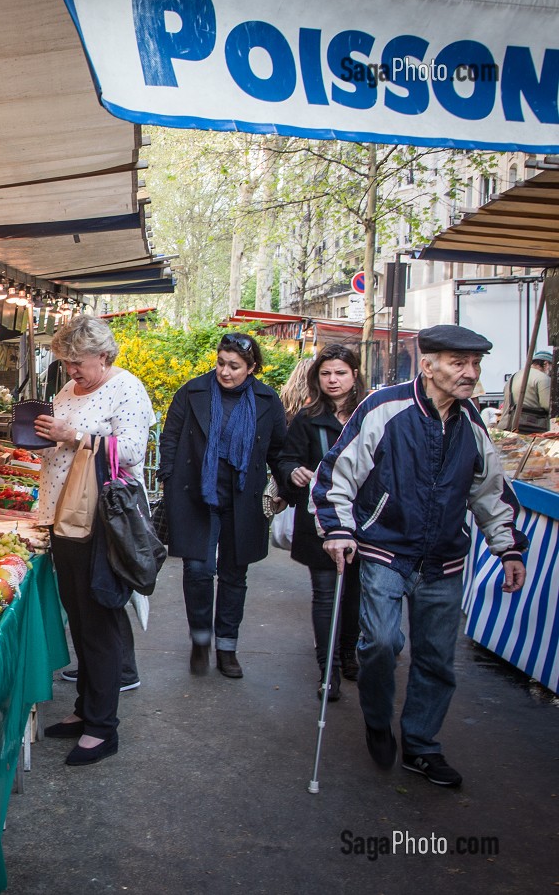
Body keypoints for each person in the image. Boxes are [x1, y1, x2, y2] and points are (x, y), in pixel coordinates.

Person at [313, 324, 527, 789]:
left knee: (435, 660)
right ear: (428, 366)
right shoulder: (384, 408)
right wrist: (338, 529)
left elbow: (490, 491)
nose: (470, 373)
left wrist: (508, 546)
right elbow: (336, 474)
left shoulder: (472, 422)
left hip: (444, 561)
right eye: (459, 363)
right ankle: (376, 718)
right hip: (386, 551)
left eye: (474, 365)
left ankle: (422, 745)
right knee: (382, 645)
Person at [33, 315, 154, 766]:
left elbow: (133, 451)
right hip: (63, 519)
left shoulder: (126, 388)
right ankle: (86, 710)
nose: (70, 372)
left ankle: (104, 728)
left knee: (100, 621)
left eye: (77, 363)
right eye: (65, 364)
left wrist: (74, 435)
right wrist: (42, 436)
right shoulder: (68, 391)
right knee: (79, 621)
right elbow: (62, 444)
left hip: (101, 521)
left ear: (103, 356)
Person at [159, 333, 287, 678]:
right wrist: (169, 479)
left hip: (244, 497)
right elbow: (169, 436)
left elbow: (279, 450)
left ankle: (227, 646)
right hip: (196, 494)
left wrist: (284, 486)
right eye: (220, 363)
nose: (225, 372)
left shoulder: (266, 400)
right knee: (198, 570)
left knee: (234, 573)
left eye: (234, 366)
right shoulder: (192, 391)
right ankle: (201, 638)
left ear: (251, 368)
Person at [276, 345, 363, 703]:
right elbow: (286, 459)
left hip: (364, 520)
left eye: (340, 373)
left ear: (354, 375)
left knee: (356, 593)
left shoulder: (370, 414)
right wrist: (291, 471)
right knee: (326, 595)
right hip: (319, 519)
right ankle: (328, 671)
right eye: (326, 373)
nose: (333, 380)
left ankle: (348, 653)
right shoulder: (308, 419)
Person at [502, 349, 551, 433]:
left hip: (506, 425)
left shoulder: (514, 376)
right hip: (528, 427)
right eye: (552, 366)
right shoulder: (543, 378)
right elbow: (548, 406)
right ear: (546, 364)